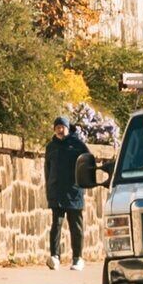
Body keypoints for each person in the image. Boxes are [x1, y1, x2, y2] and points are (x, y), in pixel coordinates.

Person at [46, 114, 100, 266]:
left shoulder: (78, 145)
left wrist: (84, 183)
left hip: (74, 191)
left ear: (68, 128)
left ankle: (78, 258)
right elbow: (47, 170)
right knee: (56, 224)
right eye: (57, 127)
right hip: (56, 191)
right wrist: (49, 188)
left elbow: (89, 162)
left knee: (75, 226)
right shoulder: (51, 147)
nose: (60, 130)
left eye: (62, 127)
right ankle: (54, 256)